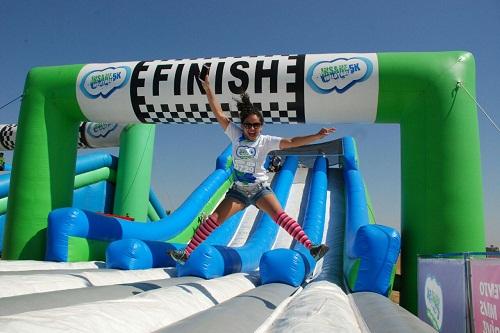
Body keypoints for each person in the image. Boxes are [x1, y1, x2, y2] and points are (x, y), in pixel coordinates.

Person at [168, 70, 335, 265]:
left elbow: (291, 141)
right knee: (213, 220)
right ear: (243, 125)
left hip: (260, 189)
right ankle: (186, 253)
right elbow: (218, 112)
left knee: (280, 216)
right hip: (238, 191)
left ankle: (312, 247)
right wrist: (208, 90)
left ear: (261, 126)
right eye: (248, 125)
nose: (252, 129)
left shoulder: (265, 141)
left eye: (256, 125)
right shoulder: (234, 134)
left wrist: (316, 136)